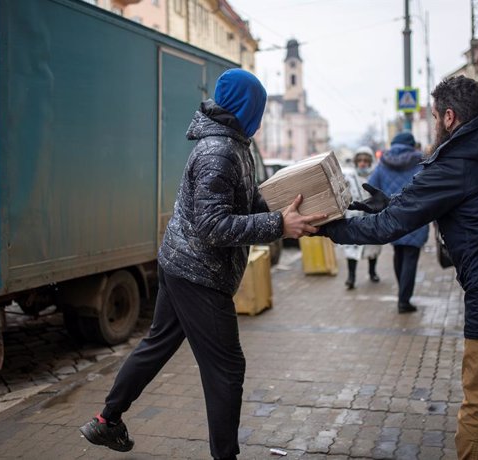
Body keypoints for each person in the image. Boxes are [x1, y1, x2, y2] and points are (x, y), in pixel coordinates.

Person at [79, 69, 325, 460]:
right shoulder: (219, 152)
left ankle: (107, 420)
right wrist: (279, 225)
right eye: (258, 109)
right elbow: (213, 225)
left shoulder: (235, 146)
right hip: (198, 273)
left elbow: (247, 205)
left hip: (183, 263)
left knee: (157, 345)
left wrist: (289, 212)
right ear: (248, 110)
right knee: (227, 370)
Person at [320, 75, 478, 460]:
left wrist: (330, 229)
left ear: (449, 118)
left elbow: (389, 228)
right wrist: (391, 202)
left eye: (435, 116)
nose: (434, 123)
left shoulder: (453, 163)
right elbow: (439, 199)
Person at [367, 131, 427, 313]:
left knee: (398, 252)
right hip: (416, 218)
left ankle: (402, 292)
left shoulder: (383, 162)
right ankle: (404, 299)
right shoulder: (422, 162)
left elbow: (371, 184)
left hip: (392, 217)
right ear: (412, 145)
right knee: (410, 256)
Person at [342, 146, 381, 289]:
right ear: (356, 161)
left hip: (372, 217)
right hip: (354, 217)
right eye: (360, 160)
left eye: (366, 160)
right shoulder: (349, 177)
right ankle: (351, 277)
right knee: (351, 249)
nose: (363, 163)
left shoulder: (375, 176)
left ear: (370, 161)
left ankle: (372, 272)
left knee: (373, 248)